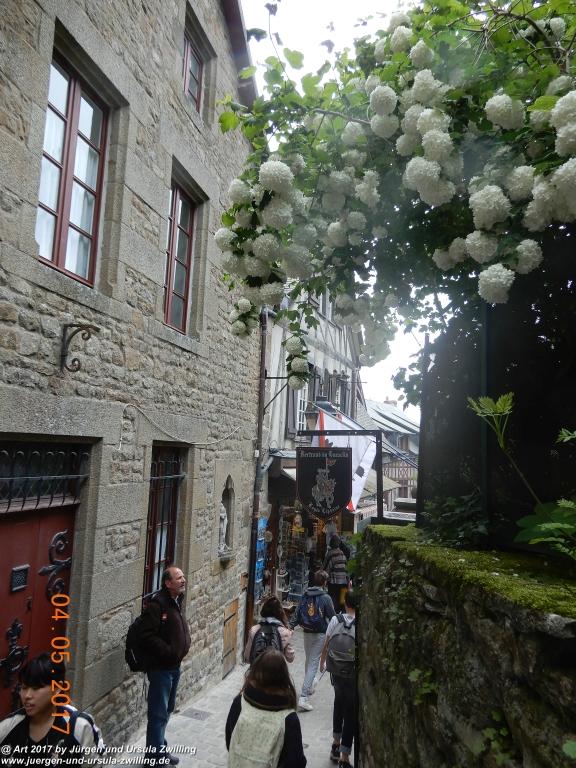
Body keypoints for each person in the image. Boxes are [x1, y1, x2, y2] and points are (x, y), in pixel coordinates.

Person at [0, 653, 104, 766]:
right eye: (24, 688)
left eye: (36, 688)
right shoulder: (8, 727)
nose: (27, 695)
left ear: (57, 688)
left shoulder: (79, 726)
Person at [139, 566, 191, 766]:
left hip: (173, 667)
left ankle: (160, 749)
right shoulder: (157, 604)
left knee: (167, 709)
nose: (183, 580)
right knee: (158, 713)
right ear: (168, 583)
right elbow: (146, 636)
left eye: (183, 576)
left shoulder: (175, 600)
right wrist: (169, 651)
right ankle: (153, 758)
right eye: (179, 578)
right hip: (161, 668)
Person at [225, 649, 306, 768]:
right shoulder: (288, 719)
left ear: (256, 671)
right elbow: (295, 762)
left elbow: (229, 740)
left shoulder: (240, 703)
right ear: (283, 676)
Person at [289, 569, 335, 712]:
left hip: (306, 631)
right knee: (313, 664)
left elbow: (297, 612)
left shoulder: (306, 594)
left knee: (309, 660)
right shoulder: (326, 597)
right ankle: (303, 697)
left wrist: (290, 625)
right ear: (325, 582)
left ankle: (308, 688)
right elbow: (332, 616)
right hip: (320, 633)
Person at [320, 590, 357, 767]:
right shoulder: (361, 624)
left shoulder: (336, 620)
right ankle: (344, 756)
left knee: (338, 704)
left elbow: (327, 642)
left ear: (345, 603)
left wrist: (322, 663)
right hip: (351, 673)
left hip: (336, 671)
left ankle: (335, 744)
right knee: (350, 712)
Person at [244, 595, 294, 664]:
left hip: (257, 672)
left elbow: (247, 657)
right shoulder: (285, 632)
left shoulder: (254, 630)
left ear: (264, 610)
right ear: (280, 612)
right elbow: (290, 658)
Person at [323, 535, 349, 611]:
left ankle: (333, 619)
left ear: (331, 543)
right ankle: (341, 619)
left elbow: (325, 569)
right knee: (342, 602)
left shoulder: (330, 554)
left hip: (334, 583)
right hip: (344, 583)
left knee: (333, 604)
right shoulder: (342, 553)